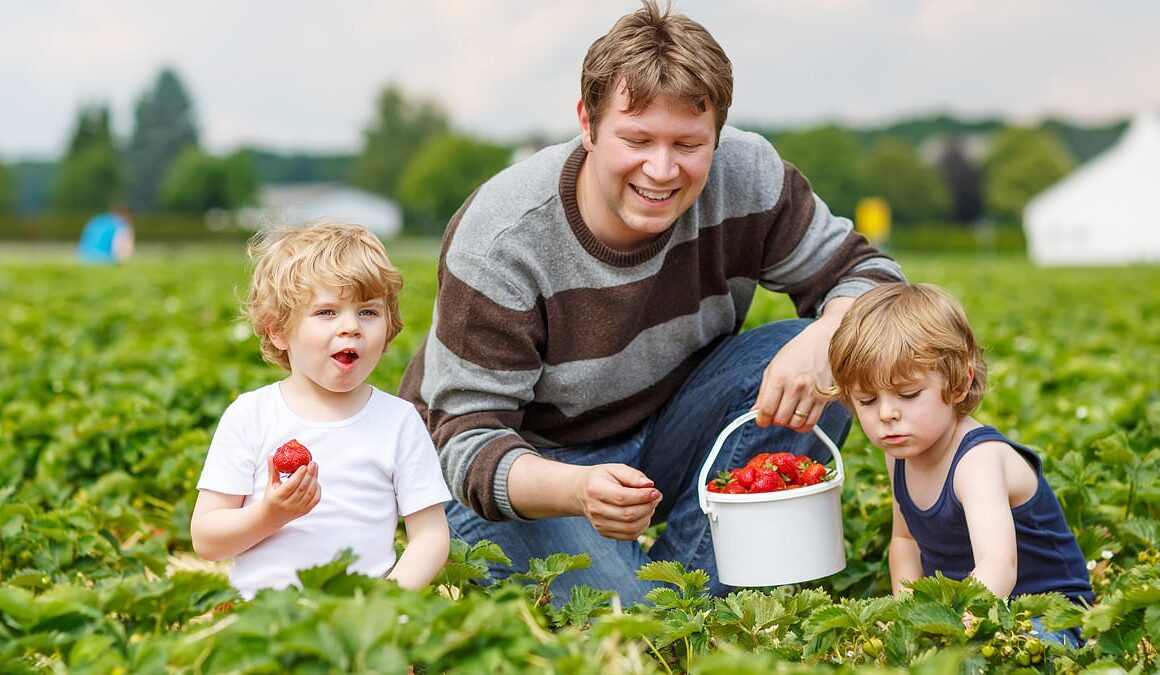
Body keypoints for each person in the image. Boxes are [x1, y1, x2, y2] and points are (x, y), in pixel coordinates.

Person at [399, 0, 904, 605]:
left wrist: (829, 335)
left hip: (660, 425)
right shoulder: (504, 238)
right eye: (635, 139)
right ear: (587, 124)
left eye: (688, 144)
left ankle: (690, 592)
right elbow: (467, 442)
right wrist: (578, 491)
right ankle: (673, 598)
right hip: (528, 465)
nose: (661, 170)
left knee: (838, 351)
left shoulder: (747, 174)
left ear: (717, 132)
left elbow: (870, 276)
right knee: (634, 630)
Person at [823, 282, 1093, 646]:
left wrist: (950, 627)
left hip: (1047, 615)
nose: (887, 413)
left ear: (959, 383)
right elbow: (904, 541)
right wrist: (910, 619)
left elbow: (998, 564)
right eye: (867, 400)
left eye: (908, 394)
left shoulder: (976, 460)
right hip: (967, 612)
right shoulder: (899, 454)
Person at [191, 221, 451, 599]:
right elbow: (206, 540)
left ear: (389, 326)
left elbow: (430, 537)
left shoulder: (398, 421)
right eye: (327, 312)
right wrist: (271, 514)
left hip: (360, 617)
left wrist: (384, 606)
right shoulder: (251, 416)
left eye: (368, 312)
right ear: (278, 329)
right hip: (262, 618)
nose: (351, 327)